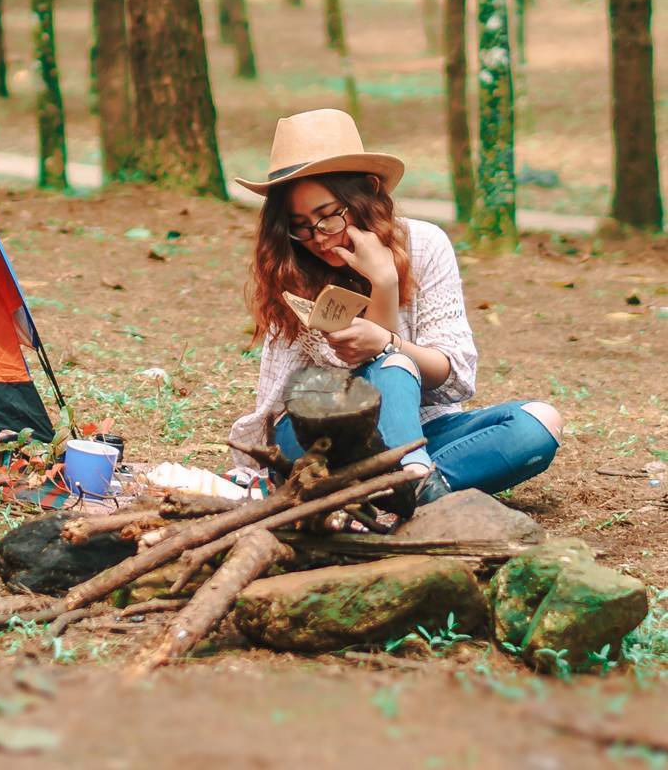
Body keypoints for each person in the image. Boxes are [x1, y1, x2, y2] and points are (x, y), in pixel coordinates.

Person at [229, 108, 562, 507]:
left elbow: (455, 377)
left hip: (420, 431)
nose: (316, 237)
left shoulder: (425, 245)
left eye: (327, 217)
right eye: (299, 224)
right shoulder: (292, 267)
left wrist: (384, 288)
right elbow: (360, 391)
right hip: (320, 437)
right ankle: (415, 483)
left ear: (367, 192)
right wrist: (385, 311)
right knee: (395, 364)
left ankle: (396, 491)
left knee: (538, 423)